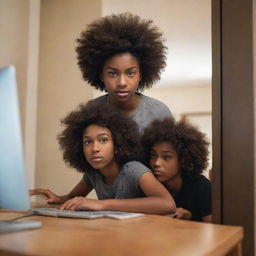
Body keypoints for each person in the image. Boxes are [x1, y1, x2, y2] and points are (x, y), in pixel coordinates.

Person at [30, 101, 176, 214]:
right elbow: (72, 198)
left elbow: (167, 204)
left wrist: (102, 204)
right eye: (88, 142)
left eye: (103, 140)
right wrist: (58, 198)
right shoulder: (93, 174)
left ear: (117, 142)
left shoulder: (133, 170)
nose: (94, 148)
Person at [76, 12, 173, 134]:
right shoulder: (90, 112)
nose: (122, 82)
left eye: (130, 73)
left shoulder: (158, 113)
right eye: (113, 74)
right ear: (101, 75)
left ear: (140, 75)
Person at [141, 117, 212, 222]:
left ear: (183, 159)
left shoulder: (202, 187)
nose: (156, 163)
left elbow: (214, 231)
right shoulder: (148, 184)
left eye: (166, 157)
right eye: (153, 155)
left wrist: (190, 217)